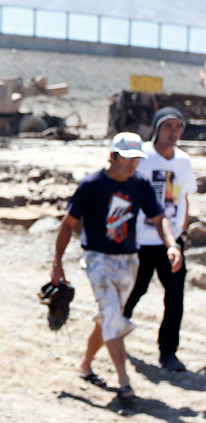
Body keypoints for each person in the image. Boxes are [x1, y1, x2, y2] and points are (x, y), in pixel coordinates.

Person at [50, 132, 182, 401]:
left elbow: (159, 218)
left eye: (137, 159)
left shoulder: (140, 184)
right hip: (97, 259)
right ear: (112, 156)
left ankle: (85, 364)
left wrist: (171, 244)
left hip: (129, 261)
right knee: (112, 315)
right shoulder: (91, 185)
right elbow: (68, 224)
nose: (134, 164)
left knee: (108, 318)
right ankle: (124, 381)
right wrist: (57, 264)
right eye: (128, 158)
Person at [123, 107, 197, 372]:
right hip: (141, 240)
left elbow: (185, 199)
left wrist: (182, 234)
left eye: (178, 127)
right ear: (157, 128)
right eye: (168, 126)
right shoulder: (141, 156)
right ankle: (114, 332)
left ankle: (168, 353)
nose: (173, 132)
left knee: (175, 297)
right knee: (135, 290)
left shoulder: (184, 162)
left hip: (171, 242)